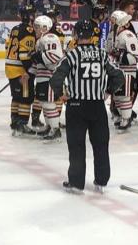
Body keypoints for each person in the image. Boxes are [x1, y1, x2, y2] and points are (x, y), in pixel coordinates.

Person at [50, 19, 124, 194]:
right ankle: (101, 181)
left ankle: (76, 183)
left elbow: (55, 78)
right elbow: (119, 76)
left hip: (76, 106)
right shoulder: (102, 54)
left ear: (76, 34)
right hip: (97, 107)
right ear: (93, 35)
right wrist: (108, 91)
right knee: (100, 144)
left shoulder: (72, 55)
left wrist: (61, 94)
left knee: (76, 145)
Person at [5, 5, 37, 136]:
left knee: (16, 97)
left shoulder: (15, 28)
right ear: (30, 16)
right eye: (33, 14)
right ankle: (22, 125)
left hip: (10, 67)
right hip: (21, 70)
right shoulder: (29, 30)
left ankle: (14, 121)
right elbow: (24, 55)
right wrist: (28, 71)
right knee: (26, 98)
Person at [31, 15, 64, 142]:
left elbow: (54, 58)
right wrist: (30, 72)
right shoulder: (41, 40)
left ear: (45, 27)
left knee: (48, 103)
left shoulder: (50, 37)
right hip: (42, 77)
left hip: (50, 77)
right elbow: (40, 60)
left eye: (38, 26)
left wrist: (39, 56)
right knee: (44, 102)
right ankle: (50, 126)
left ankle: (55, 129)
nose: (35, 29)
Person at [109, 10, 138, 132]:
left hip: (127, 72)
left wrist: (119, 55)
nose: (111, 23)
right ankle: (124, 117)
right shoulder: (118, 34)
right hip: (119, 70)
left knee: (123, 97)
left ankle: (126, 119)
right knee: (117, 97)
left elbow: (135, 57)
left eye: (113, 20)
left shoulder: (127, 35)